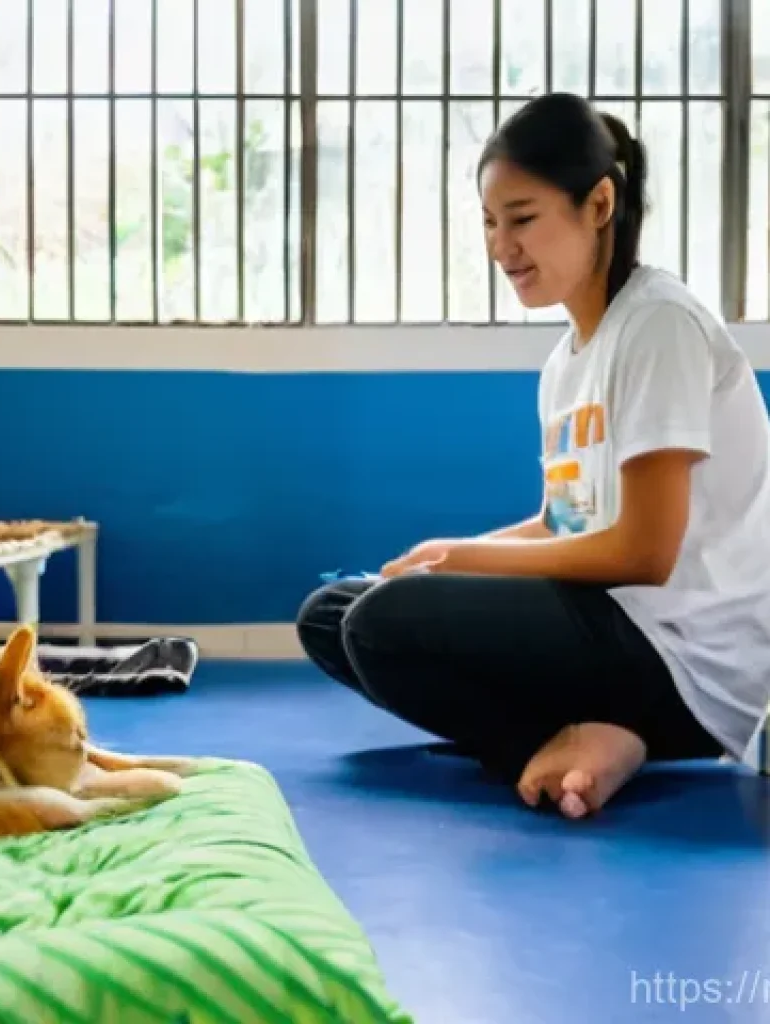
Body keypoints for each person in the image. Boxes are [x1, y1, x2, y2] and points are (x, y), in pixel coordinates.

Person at [296, 92, 770, 820]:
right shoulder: (565, 362)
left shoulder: (659, 324)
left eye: (522, 219)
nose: (500, 246)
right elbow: (566, 523)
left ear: (600, 204)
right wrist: (444, 556)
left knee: (382, 625)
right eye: (489, 222)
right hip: (616, 628)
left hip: (688, 655)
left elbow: (645, 552)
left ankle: (589, 742)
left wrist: (465, 562)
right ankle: (584, 737)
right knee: (333, 616)